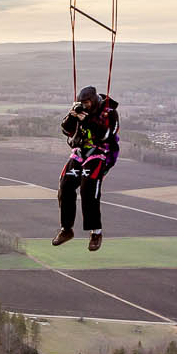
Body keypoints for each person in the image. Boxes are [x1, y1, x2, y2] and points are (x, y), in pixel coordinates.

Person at [53, 85, 119, 251]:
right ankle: (66, 229)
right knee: (65, 185)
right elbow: (66, 130)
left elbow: (106, 135)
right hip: (80, 152)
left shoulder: (109, 112)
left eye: (87, 102)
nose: (85, 105)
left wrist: (87, 120)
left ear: (94, 100)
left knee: (88, 188)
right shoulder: (79, 110)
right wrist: (73, 116)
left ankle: (95, 232)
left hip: (100, 153)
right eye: (82, 102)